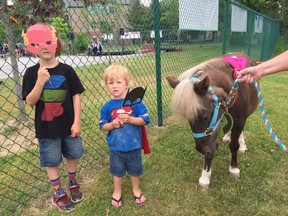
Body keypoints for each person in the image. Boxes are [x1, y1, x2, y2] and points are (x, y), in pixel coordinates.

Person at [21, 24, 85, 213]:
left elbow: (76, 95)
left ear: (56, 43)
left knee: (72, 154)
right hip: (47, 128)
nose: (45, 47)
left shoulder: (67, 70)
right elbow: (30, 101)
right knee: (51, 160)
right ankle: (57, 193)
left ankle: (73, 182)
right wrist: (40, 82)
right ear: (31, 47)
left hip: (69, 124)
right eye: (38, 44)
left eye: (49, 42)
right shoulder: (31, 73)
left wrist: (77, 121)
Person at [99, 64, 150, 208]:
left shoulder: (135, 103)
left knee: (135, 170)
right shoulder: (107, 107)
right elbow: (103, 126)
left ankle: (136, 189)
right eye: (111, 83)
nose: (114, 86)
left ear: (126, 84)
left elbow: (145, 119)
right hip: (116, 148)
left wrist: (130, 119)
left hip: (134, 145)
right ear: (106, 85)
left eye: (118, 82)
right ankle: (117, 191)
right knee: (117, 172)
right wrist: (112, 124)